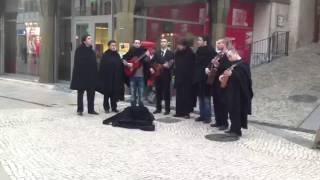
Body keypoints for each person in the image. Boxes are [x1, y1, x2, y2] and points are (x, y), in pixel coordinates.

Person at [219, 49, 253, 137]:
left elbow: (245, 79)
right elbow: (230, 74)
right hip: (231, 91)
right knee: (231, 110)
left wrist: (232, 74)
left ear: (235, 54)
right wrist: (223, 77)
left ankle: (237, 131)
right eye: (228, 57)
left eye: (230, 56)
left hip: (239, 94)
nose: (229, 59)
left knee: (237, 111)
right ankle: (232, 128)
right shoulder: (233, 64)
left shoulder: (243, 64)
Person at [70, 34, 98, 116]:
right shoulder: (79, 50)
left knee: (91, 93)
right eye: (89, 38)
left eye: (91, 38)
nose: (91, 40)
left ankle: (91, 109)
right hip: (82, 76)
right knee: (80, 93)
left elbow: (94, 63)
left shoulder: (91, 50)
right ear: (84, 41)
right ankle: (80, 109)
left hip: (91, 76)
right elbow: (78, 64)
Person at [209, 39, 232, 130]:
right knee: (216, 102)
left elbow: (229, 67)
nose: (217, 45)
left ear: (224, 44)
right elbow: (213, 65)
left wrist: (218, 65)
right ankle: (218, 121)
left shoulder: (229, 54)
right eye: (216, 43)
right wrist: (210, 67)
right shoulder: (218, 54)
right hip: (215, 81)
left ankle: (224, 123)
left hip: (223, 81)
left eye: (219, 43)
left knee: (223, 102)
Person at [193, 36, 216, 123]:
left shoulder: (210, 51)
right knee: (200, 98)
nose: (198, 41)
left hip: (206, 78)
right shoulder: (198, 50)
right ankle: (202, 115)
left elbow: (213, 64)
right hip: (199, 77)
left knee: (206, 98)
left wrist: (208, 69)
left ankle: (208, 117)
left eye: (199, 40)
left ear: (205, 41)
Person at [98, 40, 124, 113]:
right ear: (109, 46)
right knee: (107, 93)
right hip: (107, 78)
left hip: (115, 78)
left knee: (114, 93)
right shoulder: (105, 55)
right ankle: (106, 108)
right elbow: (102, 67)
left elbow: (119, 65)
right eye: (112, 45)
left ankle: (114, 107)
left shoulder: (117, 55)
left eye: (115, 45)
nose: (114, 47)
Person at [122, 40, 151, 107]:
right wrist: (127, 64)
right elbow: (123, 59)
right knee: (133, 93)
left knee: (141, 93)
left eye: (138, 43)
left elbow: (147, 62)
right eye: (136, 43)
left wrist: (147, 56)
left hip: (141, 76)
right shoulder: (130, 52)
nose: (137, 44)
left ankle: (141, 107)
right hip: (132, 76)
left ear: (140, 44)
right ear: (133, 44)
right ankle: (133, 107)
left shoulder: (144, 52)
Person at [151, 38, 174, 115]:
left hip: (166, 75)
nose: (163, 43)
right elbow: (152, 62)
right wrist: (152, 68)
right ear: (160, 43)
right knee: (158, 92)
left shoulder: (171, 53)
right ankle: (158, 108)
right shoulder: (157, 53)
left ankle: (167, 109)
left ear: (167, 43)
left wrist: (168, 65)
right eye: (162, 42)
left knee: (166, 93)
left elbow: (172, 64)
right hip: (158, 75)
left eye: (164, 42)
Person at [173, 39, 195, 119]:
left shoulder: (190, 53)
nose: (178, 46)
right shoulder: (177, 53)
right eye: (178, 45)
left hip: (187, 79)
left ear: (184, 45)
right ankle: (179, 112)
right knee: (179, 96)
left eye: (180, 45)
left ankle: (186, 112)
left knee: (186, 96)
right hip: (179, 77)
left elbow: (192, 67)